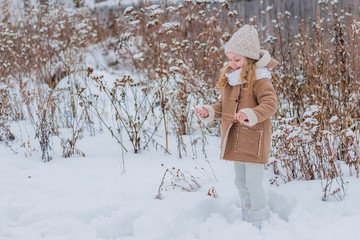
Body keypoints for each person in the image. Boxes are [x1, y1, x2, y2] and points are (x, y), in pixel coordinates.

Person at [195, 25, 278, 228]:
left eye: (237, 59)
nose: (232, 63)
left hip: (253, 141)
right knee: (240, 183)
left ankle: (259, 220)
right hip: (236, 141)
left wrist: (251, 114)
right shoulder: (231, 80)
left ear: (249, 59)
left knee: (253, 183)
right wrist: (209, 111)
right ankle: (246, 216)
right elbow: (223, 106)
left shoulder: (261, 79)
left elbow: (270, 105)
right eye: (230, 59)